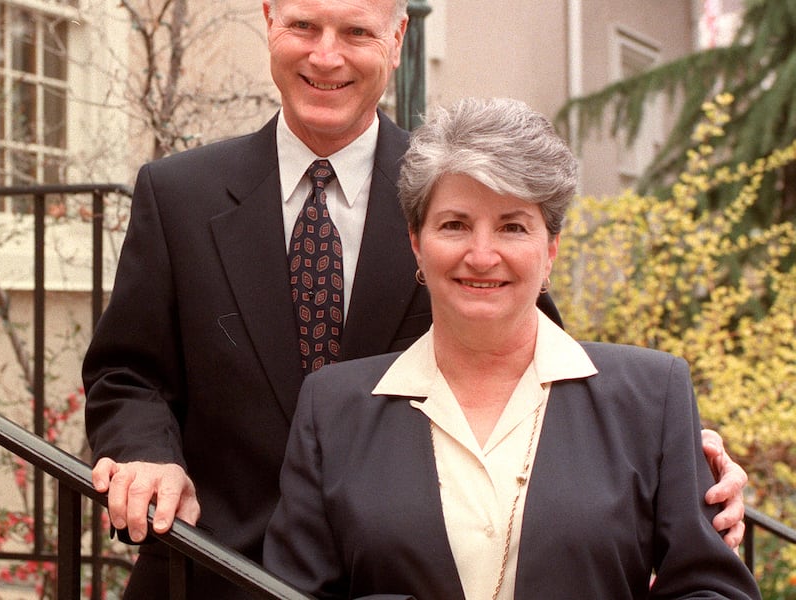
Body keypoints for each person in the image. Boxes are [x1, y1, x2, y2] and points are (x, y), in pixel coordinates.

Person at [83, 0, 746, 597]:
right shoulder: (177, 194)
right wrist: (147, 452)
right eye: (304, 27)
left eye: (356, 32)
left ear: (398, 39)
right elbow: (127, 369)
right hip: (210, 568)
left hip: (398, 568)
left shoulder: (460, 186)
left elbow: (535, 368)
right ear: (269, 23)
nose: (326, 54)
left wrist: (680, 469)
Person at [262, 97, 761, 599]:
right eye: (454, 224)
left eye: (512, 226)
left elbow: (712, 590)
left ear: (549, 250)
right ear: (417, 242)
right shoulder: (331, 409)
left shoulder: (652, 396)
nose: (482, 256)